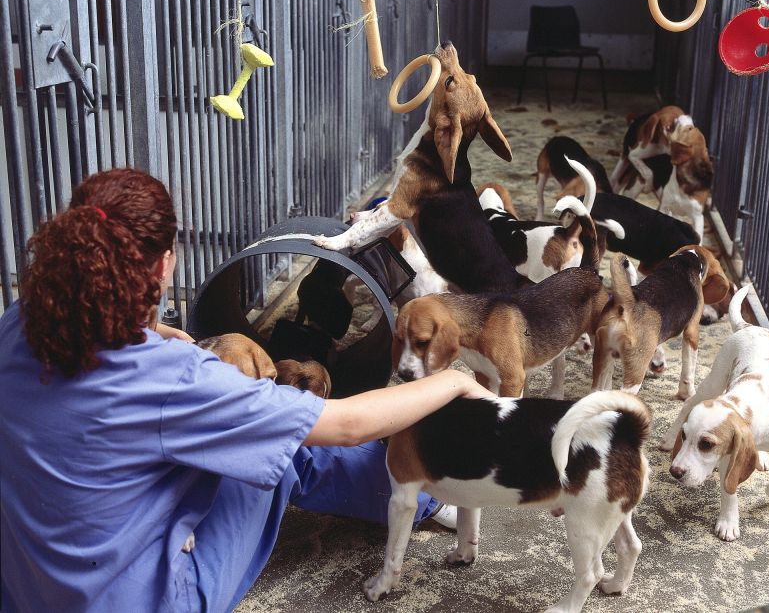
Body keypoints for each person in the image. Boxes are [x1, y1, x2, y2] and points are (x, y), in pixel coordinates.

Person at [0, 168, 489, 613]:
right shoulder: (174, 378)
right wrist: (452, 381)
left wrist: (158, 333)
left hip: (29, 588)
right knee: (287, 448)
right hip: (151, 600)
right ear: (164, 264)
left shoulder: (19, 323)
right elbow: (346, 425)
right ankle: (428, 495)